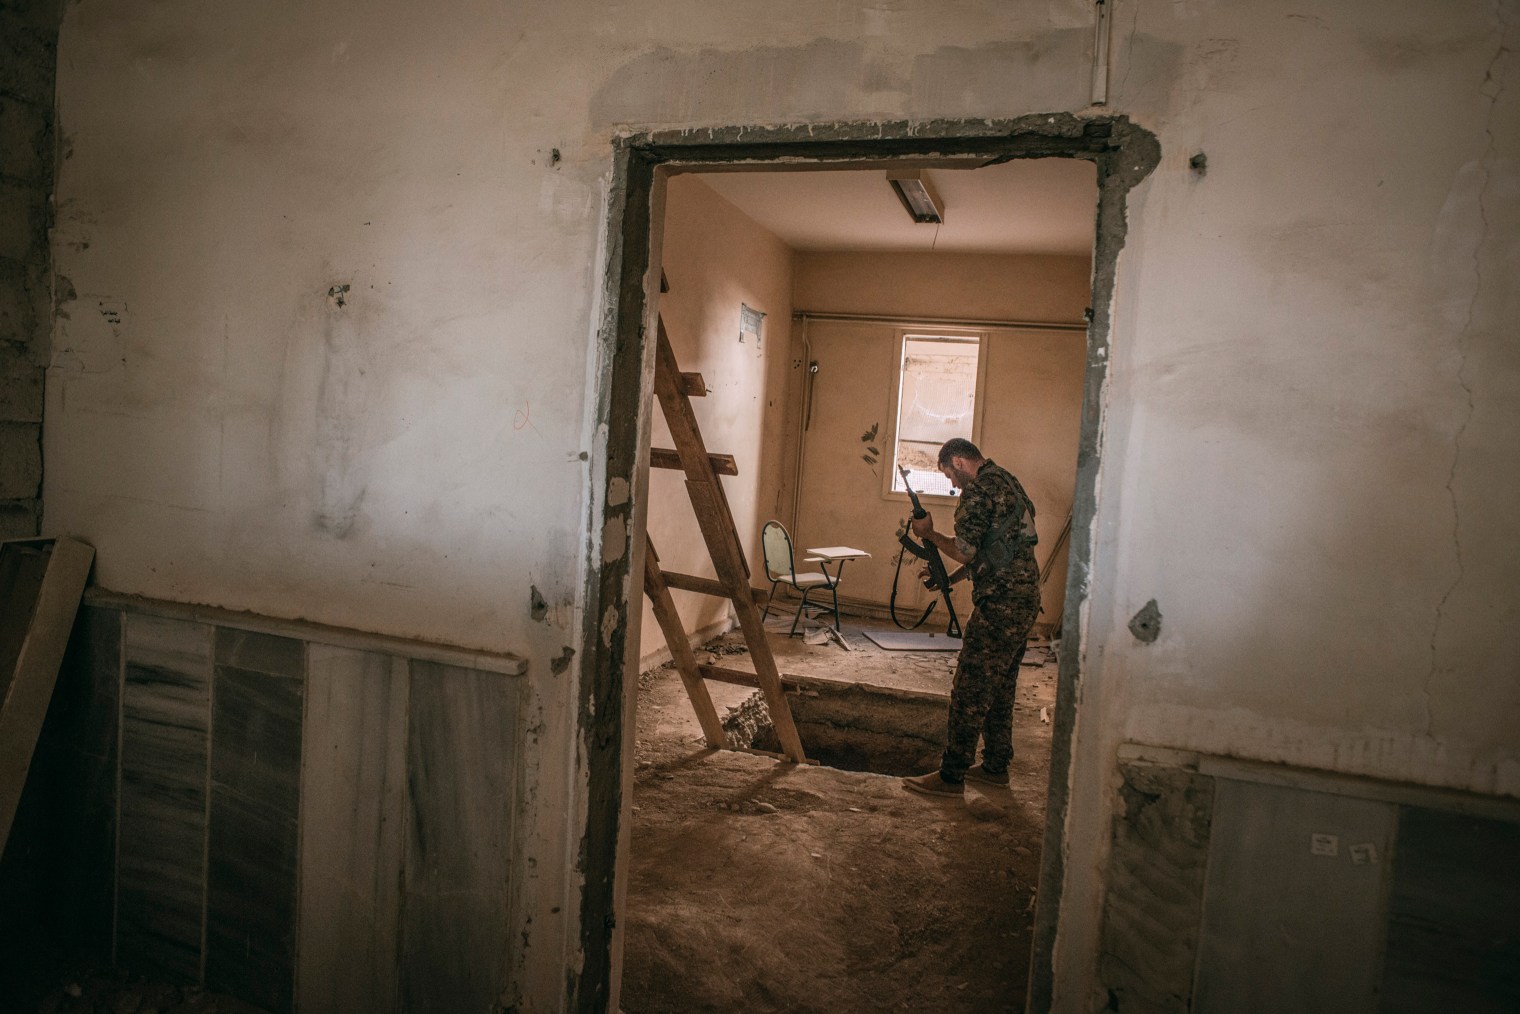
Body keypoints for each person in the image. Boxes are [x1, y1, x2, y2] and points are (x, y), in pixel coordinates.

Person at [902, 437, 1040, 797]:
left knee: (971, 687)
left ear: (960, 462)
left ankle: (951, 776)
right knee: (1000, 687)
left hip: (1001, 604)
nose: (951, 483)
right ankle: (995, 767)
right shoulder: (1009, 482)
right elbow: (993, 552)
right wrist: (949, 580)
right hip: (1025, 600)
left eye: (949, 474)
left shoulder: (978, 492)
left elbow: (965, 551)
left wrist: (928, 533)